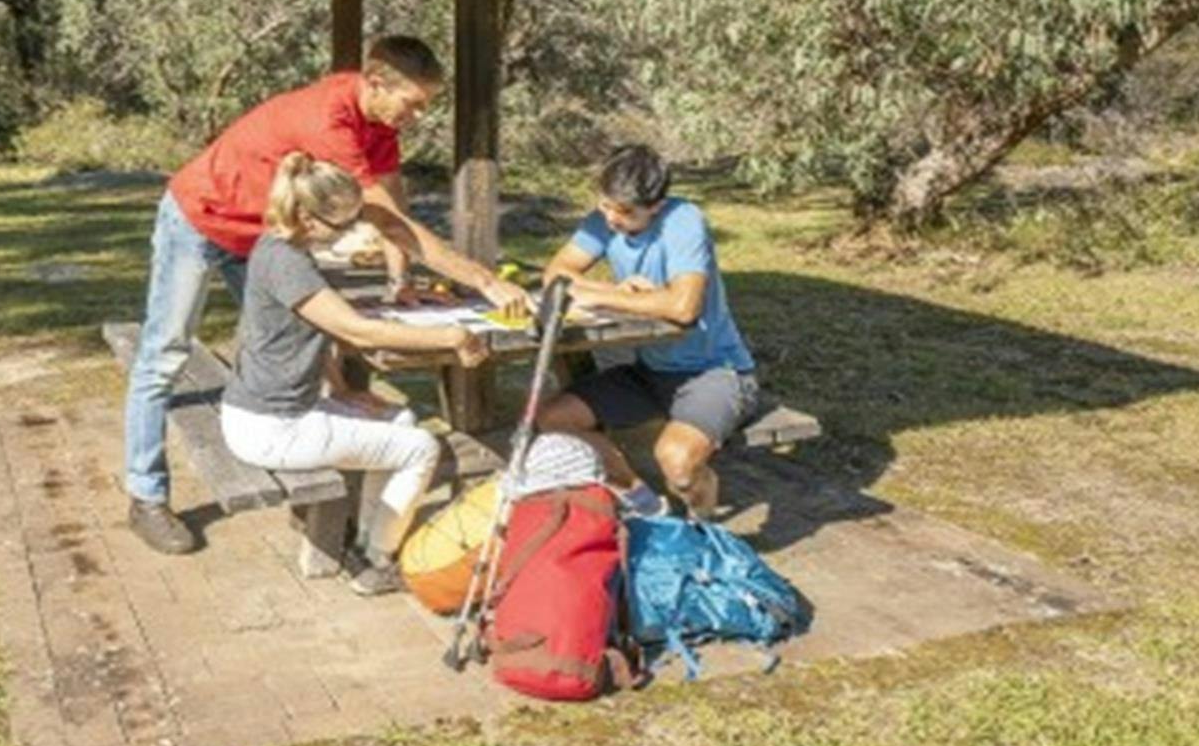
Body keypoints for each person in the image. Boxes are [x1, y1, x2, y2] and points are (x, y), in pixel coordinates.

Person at [123, 34, 527, 555]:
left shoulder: (380, 122)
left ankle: (317, 470)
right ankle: (146, 496)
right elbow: (389, 220)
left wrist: (398, 280)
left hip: (264, 235)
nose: (419, 116)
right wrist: (486, 281)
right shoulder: (328, 120)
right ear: (377, 82)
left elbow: (392, 203)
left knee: (299, 334)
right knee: (165, 354)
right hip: (200, 219)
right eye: (415, 103)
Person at [219, 153, 488, 595]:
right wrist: (452, 336)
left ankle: (368, 539)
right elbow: (354, 331)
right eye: (339, 225)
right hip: (271, 426)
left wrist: (342, 390)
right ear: (306, 215)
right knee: (420, 448)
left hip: (272, 411)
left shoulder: (284, 247)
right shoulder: (287, 261)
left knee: (398, 420)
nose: (346, 234)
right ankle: (376, 564)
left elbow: (315, 330)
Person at [534, 144, 758, 520]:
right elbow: (555, 276)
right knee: (553, 419)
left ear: (656, 205)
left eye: (624, 212)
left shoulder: (683, 220)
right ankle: (640, 499)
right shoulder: (602, 219)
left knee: (679, 466)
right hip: (649, 370)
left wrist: (604, 296)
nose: (610, 219)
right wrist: (615, 292)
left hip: (714, 372)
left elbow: (684, 308)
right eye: (604, 205)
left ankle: (703, 524)